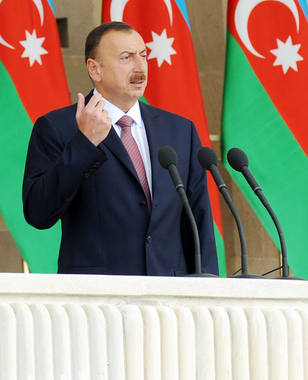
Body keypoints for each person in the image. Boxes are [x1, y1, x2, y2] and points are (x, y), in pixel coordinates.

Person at [22, 21, 218, 276]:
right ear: (95, 69)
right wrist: (85, 143)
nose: (140, 68)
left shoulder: (180, 130)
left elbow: (198, 219)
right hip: (98, 298)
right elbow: (39, 213)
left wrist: (207, 288)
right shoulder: (58, 127)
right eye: (126, 58)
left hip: (169, 298)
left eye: (143, 56)